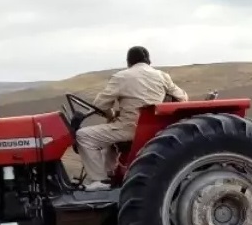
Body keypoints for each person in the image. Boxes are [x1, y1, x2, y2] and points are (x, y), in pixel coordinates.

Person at [76, 46, 188, 191]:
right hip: (153, 129)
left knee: (83, 136)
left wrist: (111, 115)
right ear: (149, 61)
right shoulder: (161, 76)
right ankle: (112, 175)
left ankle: (100, 180)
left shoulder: (122, 76)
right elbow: (183, 98)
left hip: (129, 129)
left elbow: (100, 104)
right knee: (110, 140)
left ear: (129, 62)